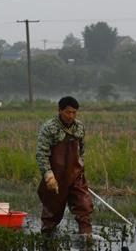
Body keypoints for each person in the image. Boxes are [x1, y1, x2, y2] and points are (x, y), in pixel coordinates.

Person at [36, 96, 93, 236]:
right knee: (52, 212)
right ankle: (47, 239)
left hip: (75, 176)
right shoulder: (49, 127)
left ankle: (86, 239)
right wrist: (48, 175)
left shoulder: (79, 127)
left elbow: (82, 151)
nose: (71, 116)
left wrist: (80, 167)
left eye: (74, 112)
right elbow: (41, 153)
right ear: (60, 110)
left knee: (84, 206)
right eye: (68, 112)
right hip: (56, 177)